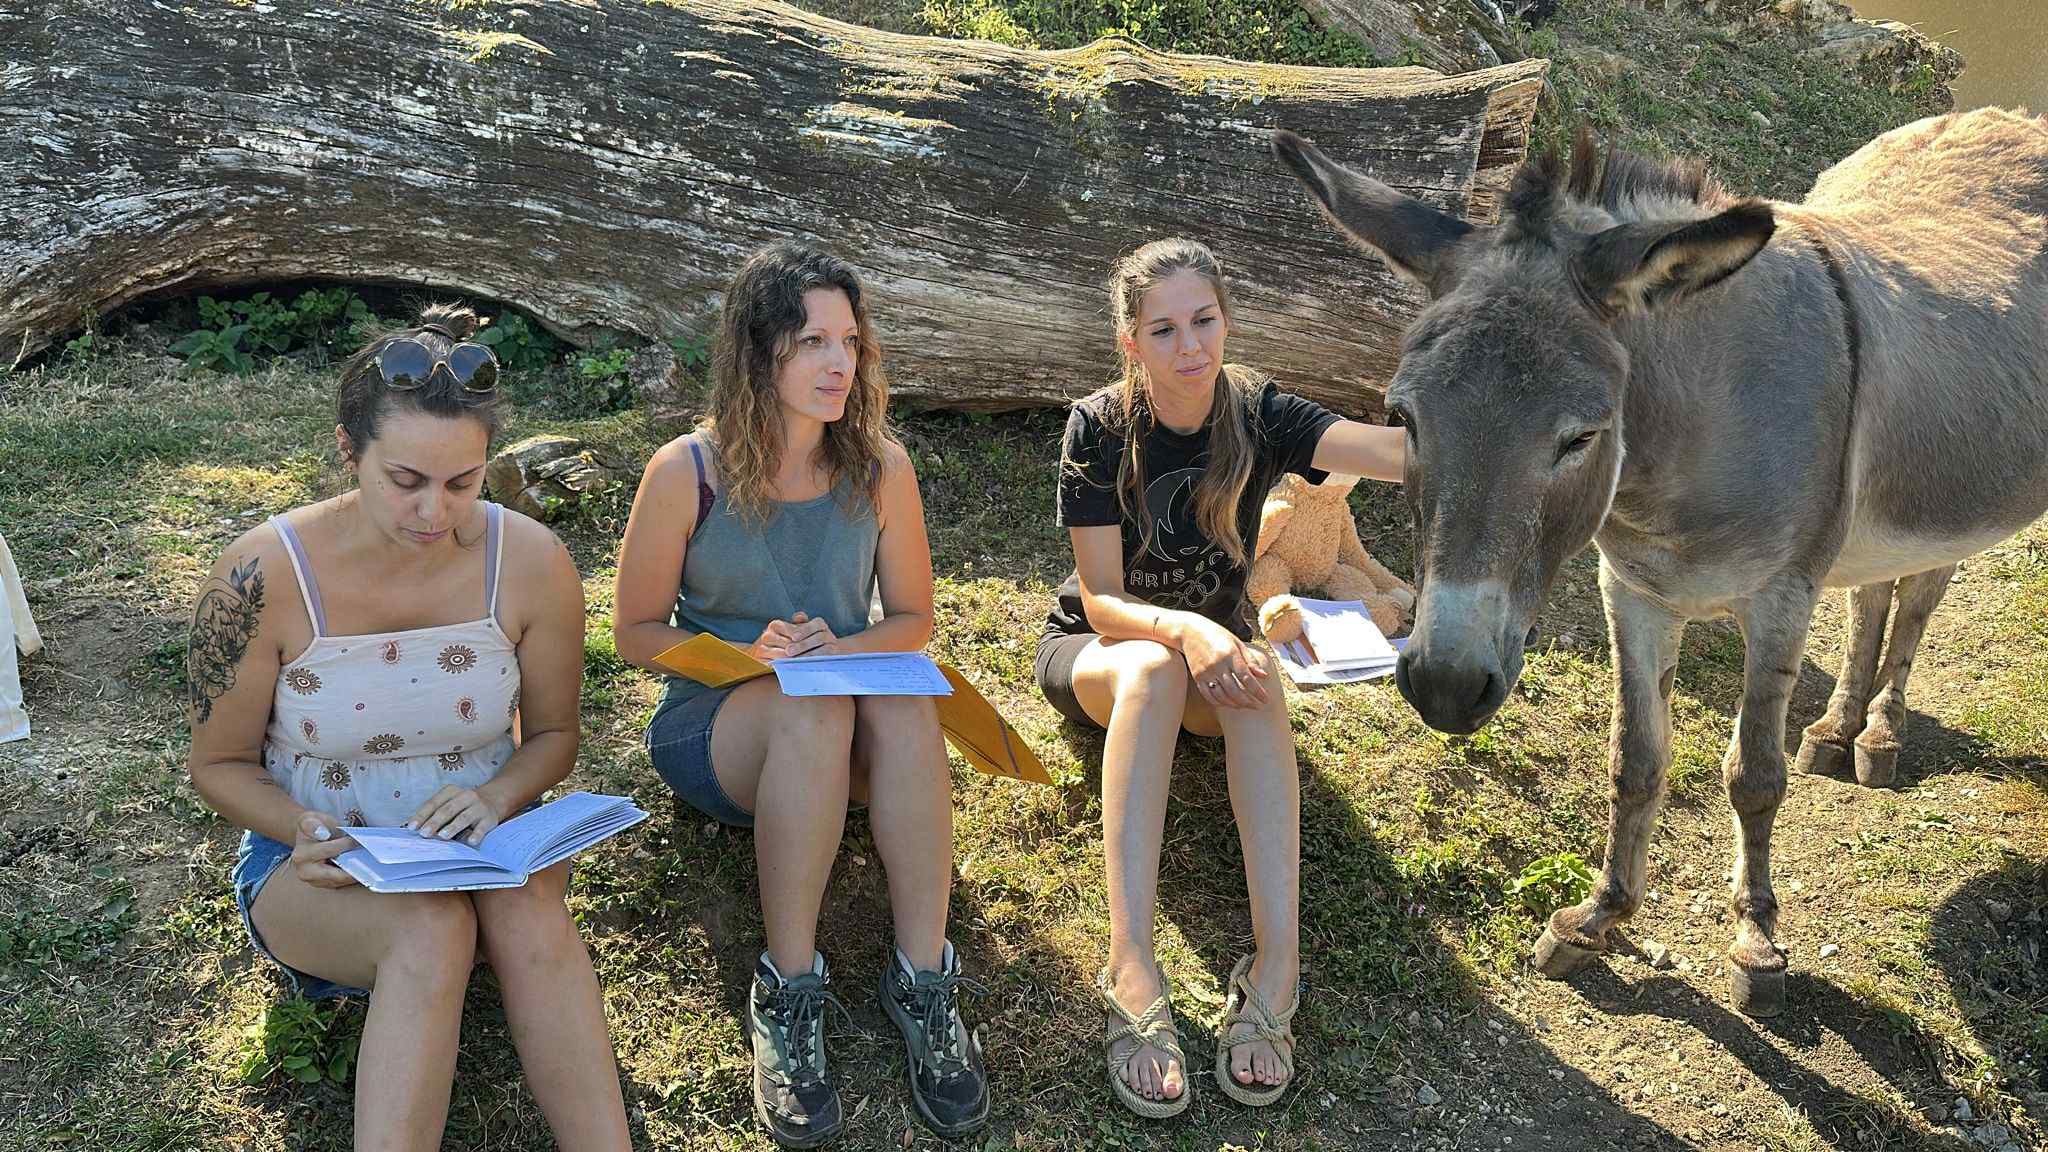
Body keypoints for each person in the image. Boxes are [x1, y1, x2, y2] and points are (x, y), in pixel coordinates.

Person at [185, 305, 631, 1149]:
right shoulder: (260, 573)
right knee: (429, 931)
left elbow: (554, 736)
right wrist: (302, 827)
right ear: (350, 454)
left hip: (484, 848)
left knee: (528, 918)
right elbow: (217, 762)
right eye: (407, 481)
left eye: (463, 482)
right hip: (318, 862)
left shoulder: (532, 560)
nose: (436, 510)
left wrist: (499, 796)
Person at [612, 241, 988, 1147]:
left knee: (903, 695)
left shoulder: (880, 467)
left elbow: (912, 619)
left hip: (846, 715)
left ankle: (924, 980)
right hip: (723, 728)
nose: (838, 364)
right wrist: (752, 654)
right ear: (758, 350)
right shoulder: (685, 472)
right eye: (812, 341)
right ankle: (787, 989)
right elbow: (633, 634)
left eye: (849, 343)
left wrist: (842, 645)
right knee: (813, 703)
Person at [1036, 239, 1407, 1115]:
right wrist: (1193, 630)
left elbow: (1387, 454)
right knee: (1159, 672)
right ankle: (1131, 963)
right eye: (1162, 330)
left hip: (1212, 659)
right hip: (1100, 655)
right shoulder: (1097, 425)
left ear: (1226, 320)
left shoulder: (1258, 410)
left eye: (1203, 320)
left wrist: (1497, 420)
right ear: (1131, 343)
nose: (1189, 346)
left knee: (1257, 683)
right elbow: (1099, 600)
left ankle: (1277, 966)